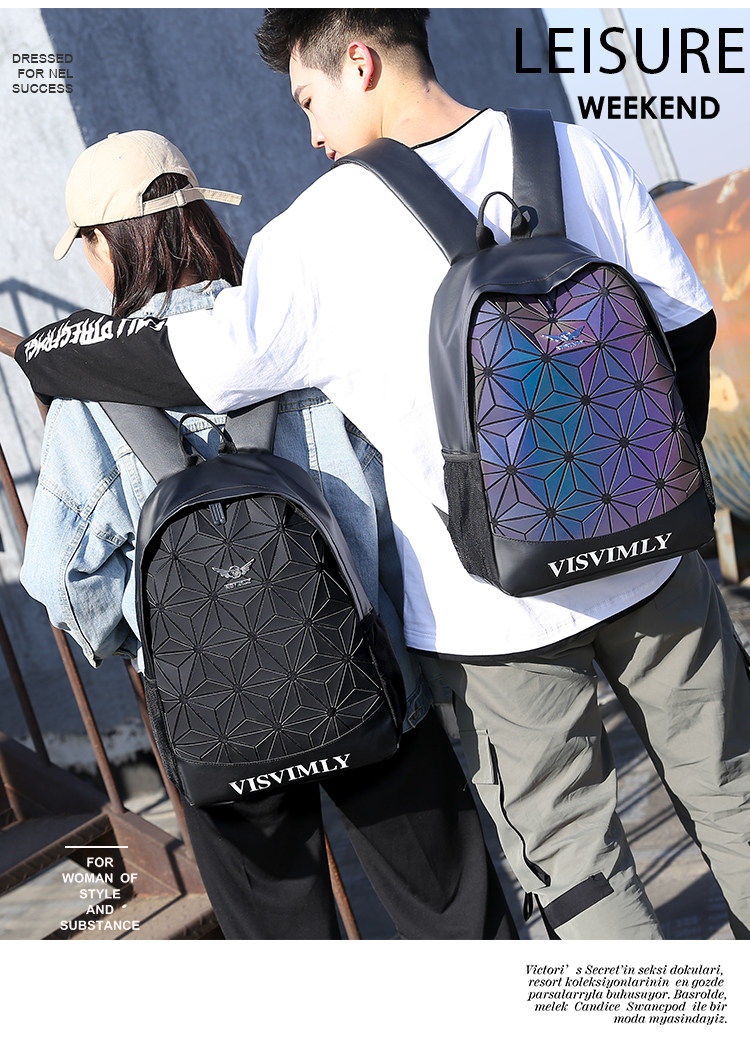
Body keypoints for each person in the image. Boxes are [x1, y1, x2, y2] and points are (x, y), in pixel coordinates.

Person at [11, 10, 750, 940]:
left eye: (308, 100)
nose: (311, 132)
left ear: (357, 62)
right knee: (736, 791)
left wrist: (49, 353)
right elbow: (685, 329)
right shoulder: (573, 149)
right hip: (654, 564)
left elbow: (201, 365)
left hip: (491, 615)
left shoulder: (319, 232)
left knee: (574, 863)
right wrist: (647, 497)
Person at [15, 129, 517, 941]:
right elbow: (396, 492)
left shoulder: (89, 392)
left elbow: (57, 577)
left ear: (108, 247)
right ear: (200, 219)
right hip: (368, 672)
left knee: (282, 947)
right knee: (453, 913)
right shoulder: (290, 323)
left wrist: (155, 640)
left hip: (214, 713)